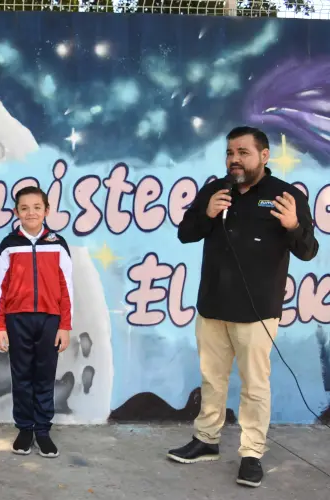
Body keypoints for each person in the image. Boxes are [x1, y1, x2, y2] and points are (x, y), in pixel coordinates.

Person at [167, 126, 319, 488]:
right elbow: (186, 233)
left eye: (243, 152)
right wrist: (206, 212)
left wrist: (293, 225)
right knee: (212, 379)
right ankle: (206, 440)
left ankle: (251, 453)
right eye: (230, 153)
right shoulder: (215, 190)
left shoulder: (286, 195)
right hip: (212, 306)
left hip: (257, 312)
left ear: (264, 156)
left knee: (254, 386)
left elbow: (308, 250)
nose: (234, 159)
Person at [0, 186, 72, 458]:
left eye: (37, 207)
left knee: (45, 376)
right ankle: (25, 429)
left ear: (47, 210)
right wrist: (0, 325)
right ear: (16, 212)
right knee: (22, 376)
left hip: (50, 320)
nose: (31, 213)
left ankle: (43, 431)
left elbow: (67, 288)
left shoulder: (58, 244)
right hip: (17, 319)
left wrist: (65, 325)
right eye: (24, 208)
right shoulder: (9, 245)